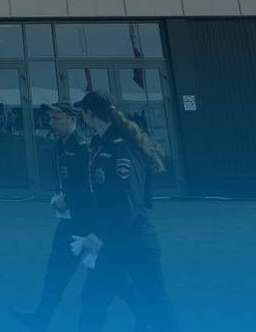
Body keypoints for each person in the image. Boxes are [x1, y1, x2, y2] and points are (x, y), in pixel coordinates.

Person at [10, 101, 142, 332]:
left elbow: (95, 189)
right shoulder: (59, 147)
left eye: (57, 119)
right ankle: (41, 318)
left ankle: (145, 314)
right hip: (69, 223)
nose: (52, 123)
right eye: (50, 119)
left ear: (73, 120)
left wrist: (69, 200)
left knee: (115, 277)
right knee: (56, 271)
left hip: (91, 225)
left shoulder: (85, 149)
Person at [76, 91, 180, 332]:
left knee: (156, 304)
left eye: (82, 112)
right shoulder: (99, 144)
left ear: (88, 114)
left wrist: (101, 232)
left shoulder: (123, 148)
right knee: (93, 300)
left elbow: (128, 202)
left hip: (135, 241)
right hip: (110, 241)